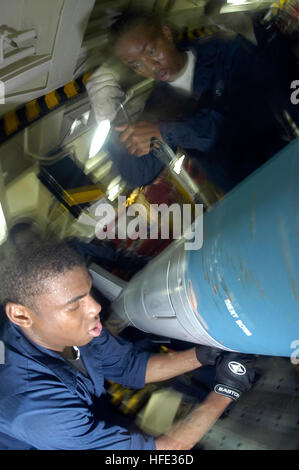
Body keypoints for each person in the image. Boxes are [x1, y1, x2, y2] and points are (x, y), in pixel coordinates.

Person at [0, 241, 257, 450]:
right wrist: (227, 389)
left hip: (88, 417)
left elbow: (130, 367)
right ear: (21, 315)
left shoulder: (74, 330)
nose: (95, 307)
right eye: (74, 304)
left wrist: (205, 353)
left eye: (89, 292)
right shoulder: (33, 408)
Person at [86, 9, 287, 191]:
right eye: (136, 65)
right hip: (244, 194)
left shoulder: (224, 51)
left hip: (283, 164)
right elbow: (140, 174)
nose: (151, 67)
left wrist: (165, 131)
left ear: (166, 34)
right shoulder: (157, 105)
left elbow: (244, 119)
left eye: (151, 51)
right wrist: (110, 118)